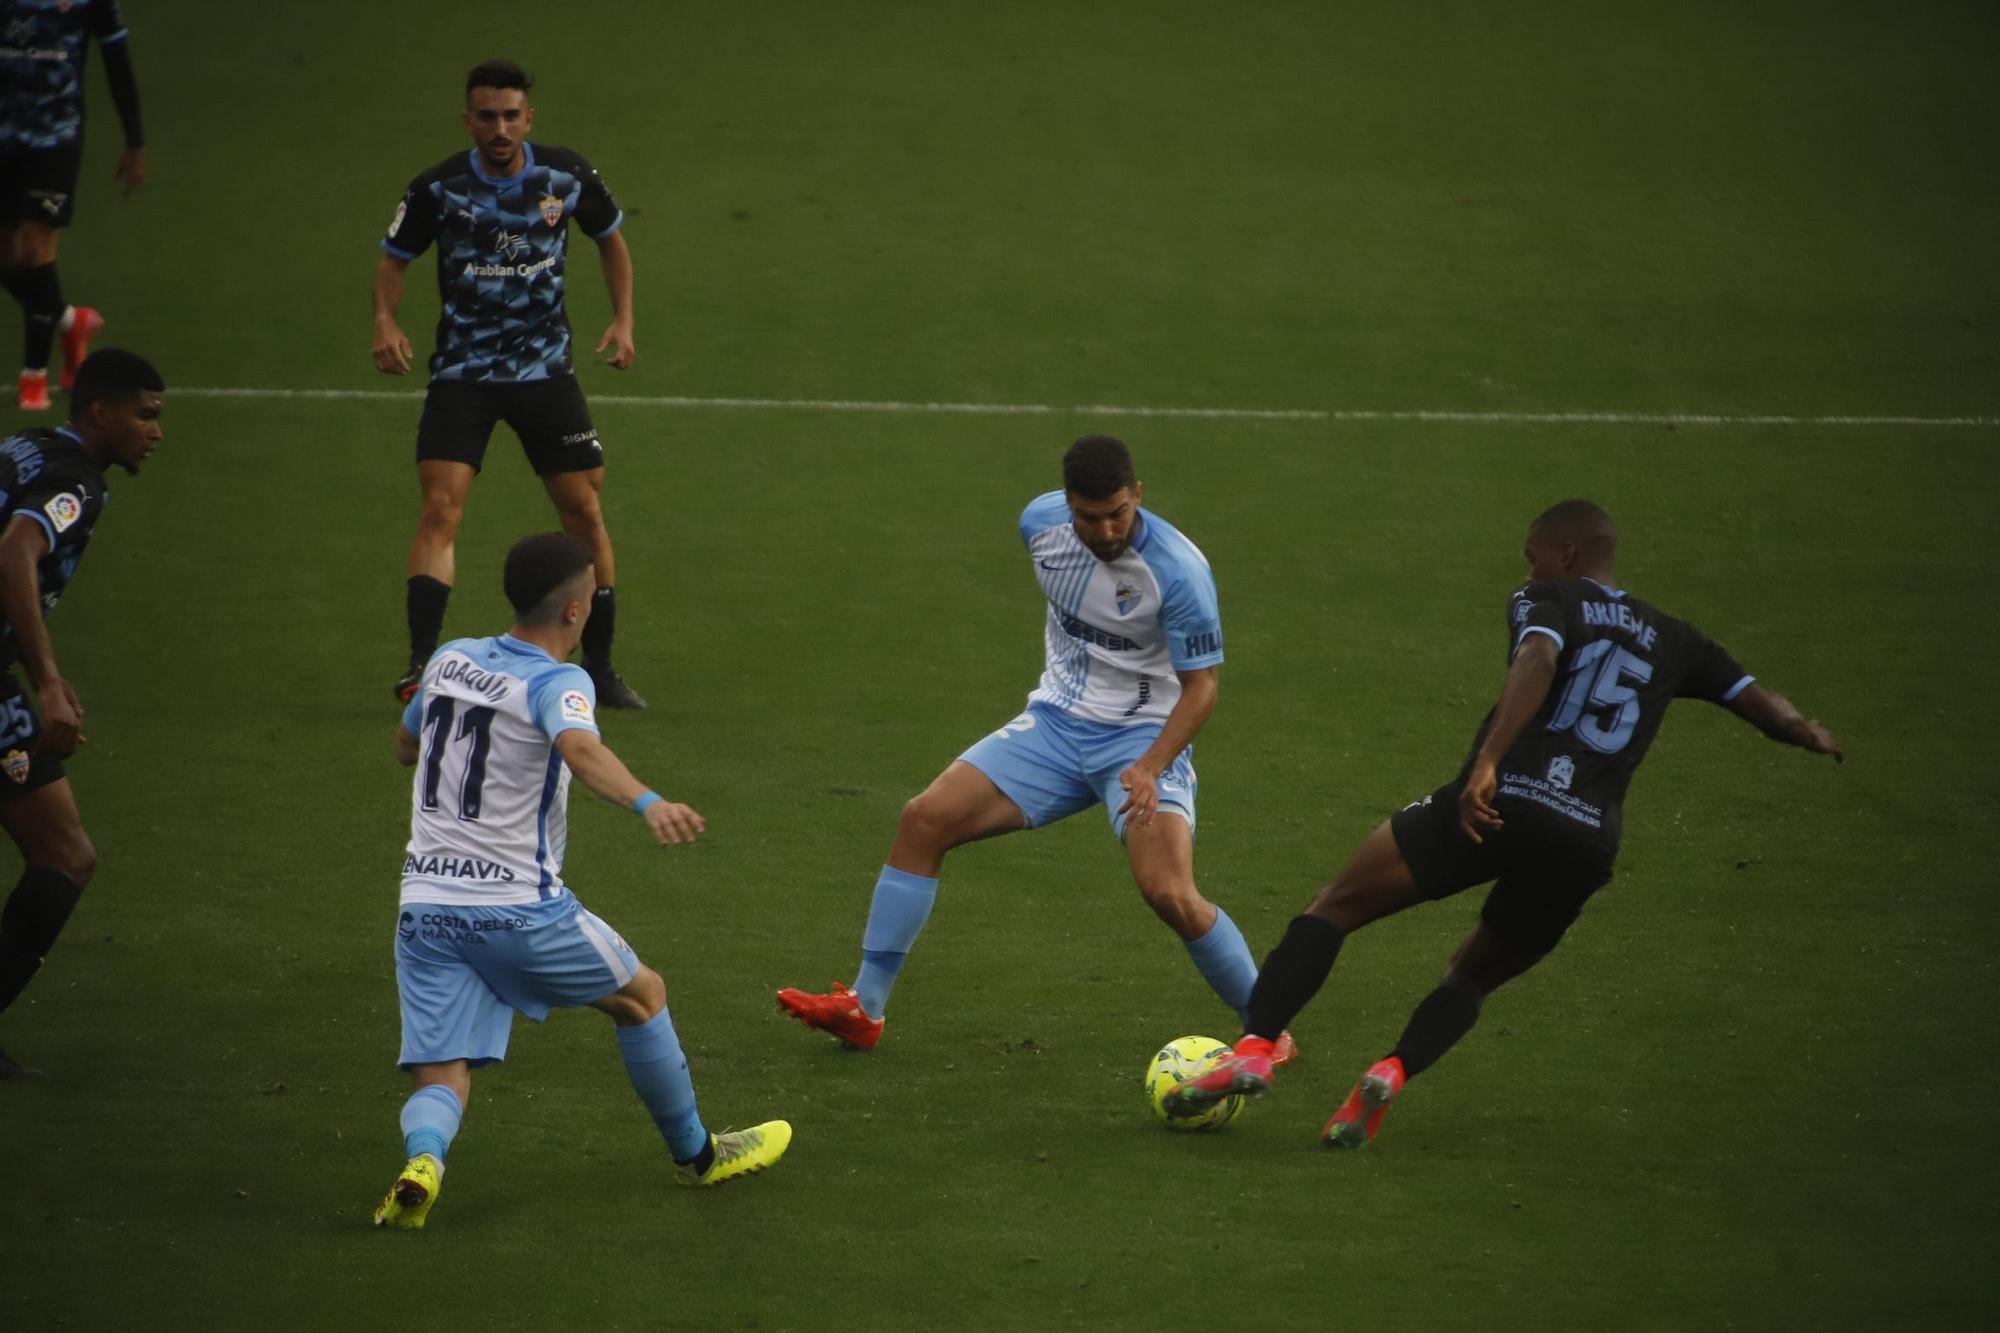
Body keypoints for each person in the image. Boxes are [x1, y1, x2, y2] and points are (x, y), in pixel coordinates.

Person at [1165, 499, 1843, 1146]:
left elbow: (1539, 659)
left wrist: (1489, 760)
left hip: (1500, 801)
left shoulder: (1546, 598)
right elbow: (1762, 704)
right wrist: (1806, 730)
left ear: (1567, 553)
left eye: (1532, 557)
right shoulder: (1677, 638)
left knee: (1336, 904)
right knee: (1470, 975)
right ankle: (1389, 1072)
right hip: (1587, 842)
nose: (1526, 572)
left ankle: (1255, 1048)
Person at [777, 436, 1292, 1061]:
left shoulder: (1179, 573)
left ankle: (1266, 1030)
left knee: (1169, 892)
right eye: (1089, 515)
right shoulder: (1039, 526)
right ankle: (866, 1008)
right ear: (1067, 504)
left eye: (1117, 513)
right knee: (923, 820)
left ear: (1138, 497)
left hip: (1140, 742)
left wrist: (1152, 766)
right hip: (1055, 724)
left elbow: (1202, 689)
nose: (1104, 530)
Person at [374, 532, 789, 1228]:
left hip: (425, 906)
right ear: (574, 612)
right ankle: (699, 1154)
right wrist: (650, 801)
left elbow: (406, 743)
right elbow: (582, 748)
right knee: (641, 995)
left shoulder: (449, 658)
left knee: (443, 1067)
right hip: (518, 910)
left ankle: (424, 1162)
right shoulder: (559, 681)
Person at [372, 59, 645, 712]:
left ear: (529, 118)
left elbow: (611, 241)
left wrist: (624, 319)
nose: (499, 128)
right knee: (440, 509)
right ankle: (420, 663)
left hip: (545, 375)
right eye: (487, 116)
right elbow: (394, 259)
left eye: (510, 115)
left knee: (584, 513)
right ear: (467, 119)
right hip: (464, 375)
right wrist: (385, 321)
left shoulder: (566, 176)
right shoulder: (438, 188)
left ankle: (601, 667)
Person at [0, 348, 162, 1079]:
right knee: (65, 855)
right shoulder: (78, 482)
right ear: (100, 412)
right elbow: (15, 550)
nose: (155, 432)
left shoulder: (25, 446)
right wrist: (51, 679)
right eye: (145, 415)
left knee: (64, 851)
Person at [0, 0, 143, 410]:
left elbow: (116, 55)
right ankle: (70, 322)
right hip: (4, 134)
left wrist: (135, 140)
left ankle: (34, 378)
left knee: (35, 247)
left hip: (54, 136)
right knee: (8, 258)